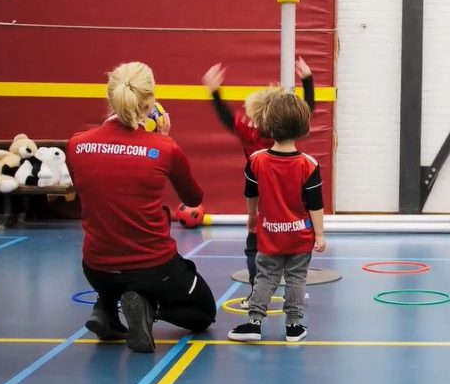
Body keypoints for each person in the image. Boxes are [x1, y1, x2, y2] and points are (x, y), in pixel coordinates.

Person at [67, 61, 216, 352]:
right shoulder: (163, 148)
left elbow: (88, 191)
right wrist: (163, 139)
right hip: (153, 267)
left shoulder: (77, 145)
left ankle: (107, 307)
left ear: (110, 99)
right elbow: (194, 198)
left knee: (113, 262)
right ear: (150, 104)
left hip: (97, 267)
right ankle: (147, 304)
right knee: (204, 313)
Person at [202, 58, 314, 299]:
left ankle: (257, 290)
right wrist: (308, 81)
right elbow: (308, 110)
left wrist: (214, 91)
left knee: (255, 243)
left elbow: (226, 117)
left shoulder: (250, 132)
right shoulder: (287, 130)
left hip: (262, 193)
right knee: (292, 239)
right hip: (291, 192)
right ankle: (295, 287)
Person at [228, 92, 326, 343]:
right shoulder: (309, 164)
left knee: (266, 277)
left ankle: (254, 322)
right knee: (296, 278)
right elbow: (315, 204)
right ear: (304, 128)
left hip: (270, 235)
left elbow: (250, 193)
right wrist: (320, 234)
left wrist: (252, 215)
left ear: (269, 125)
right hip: (299, 236)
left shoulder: (256, 160)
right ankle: (294, 326)